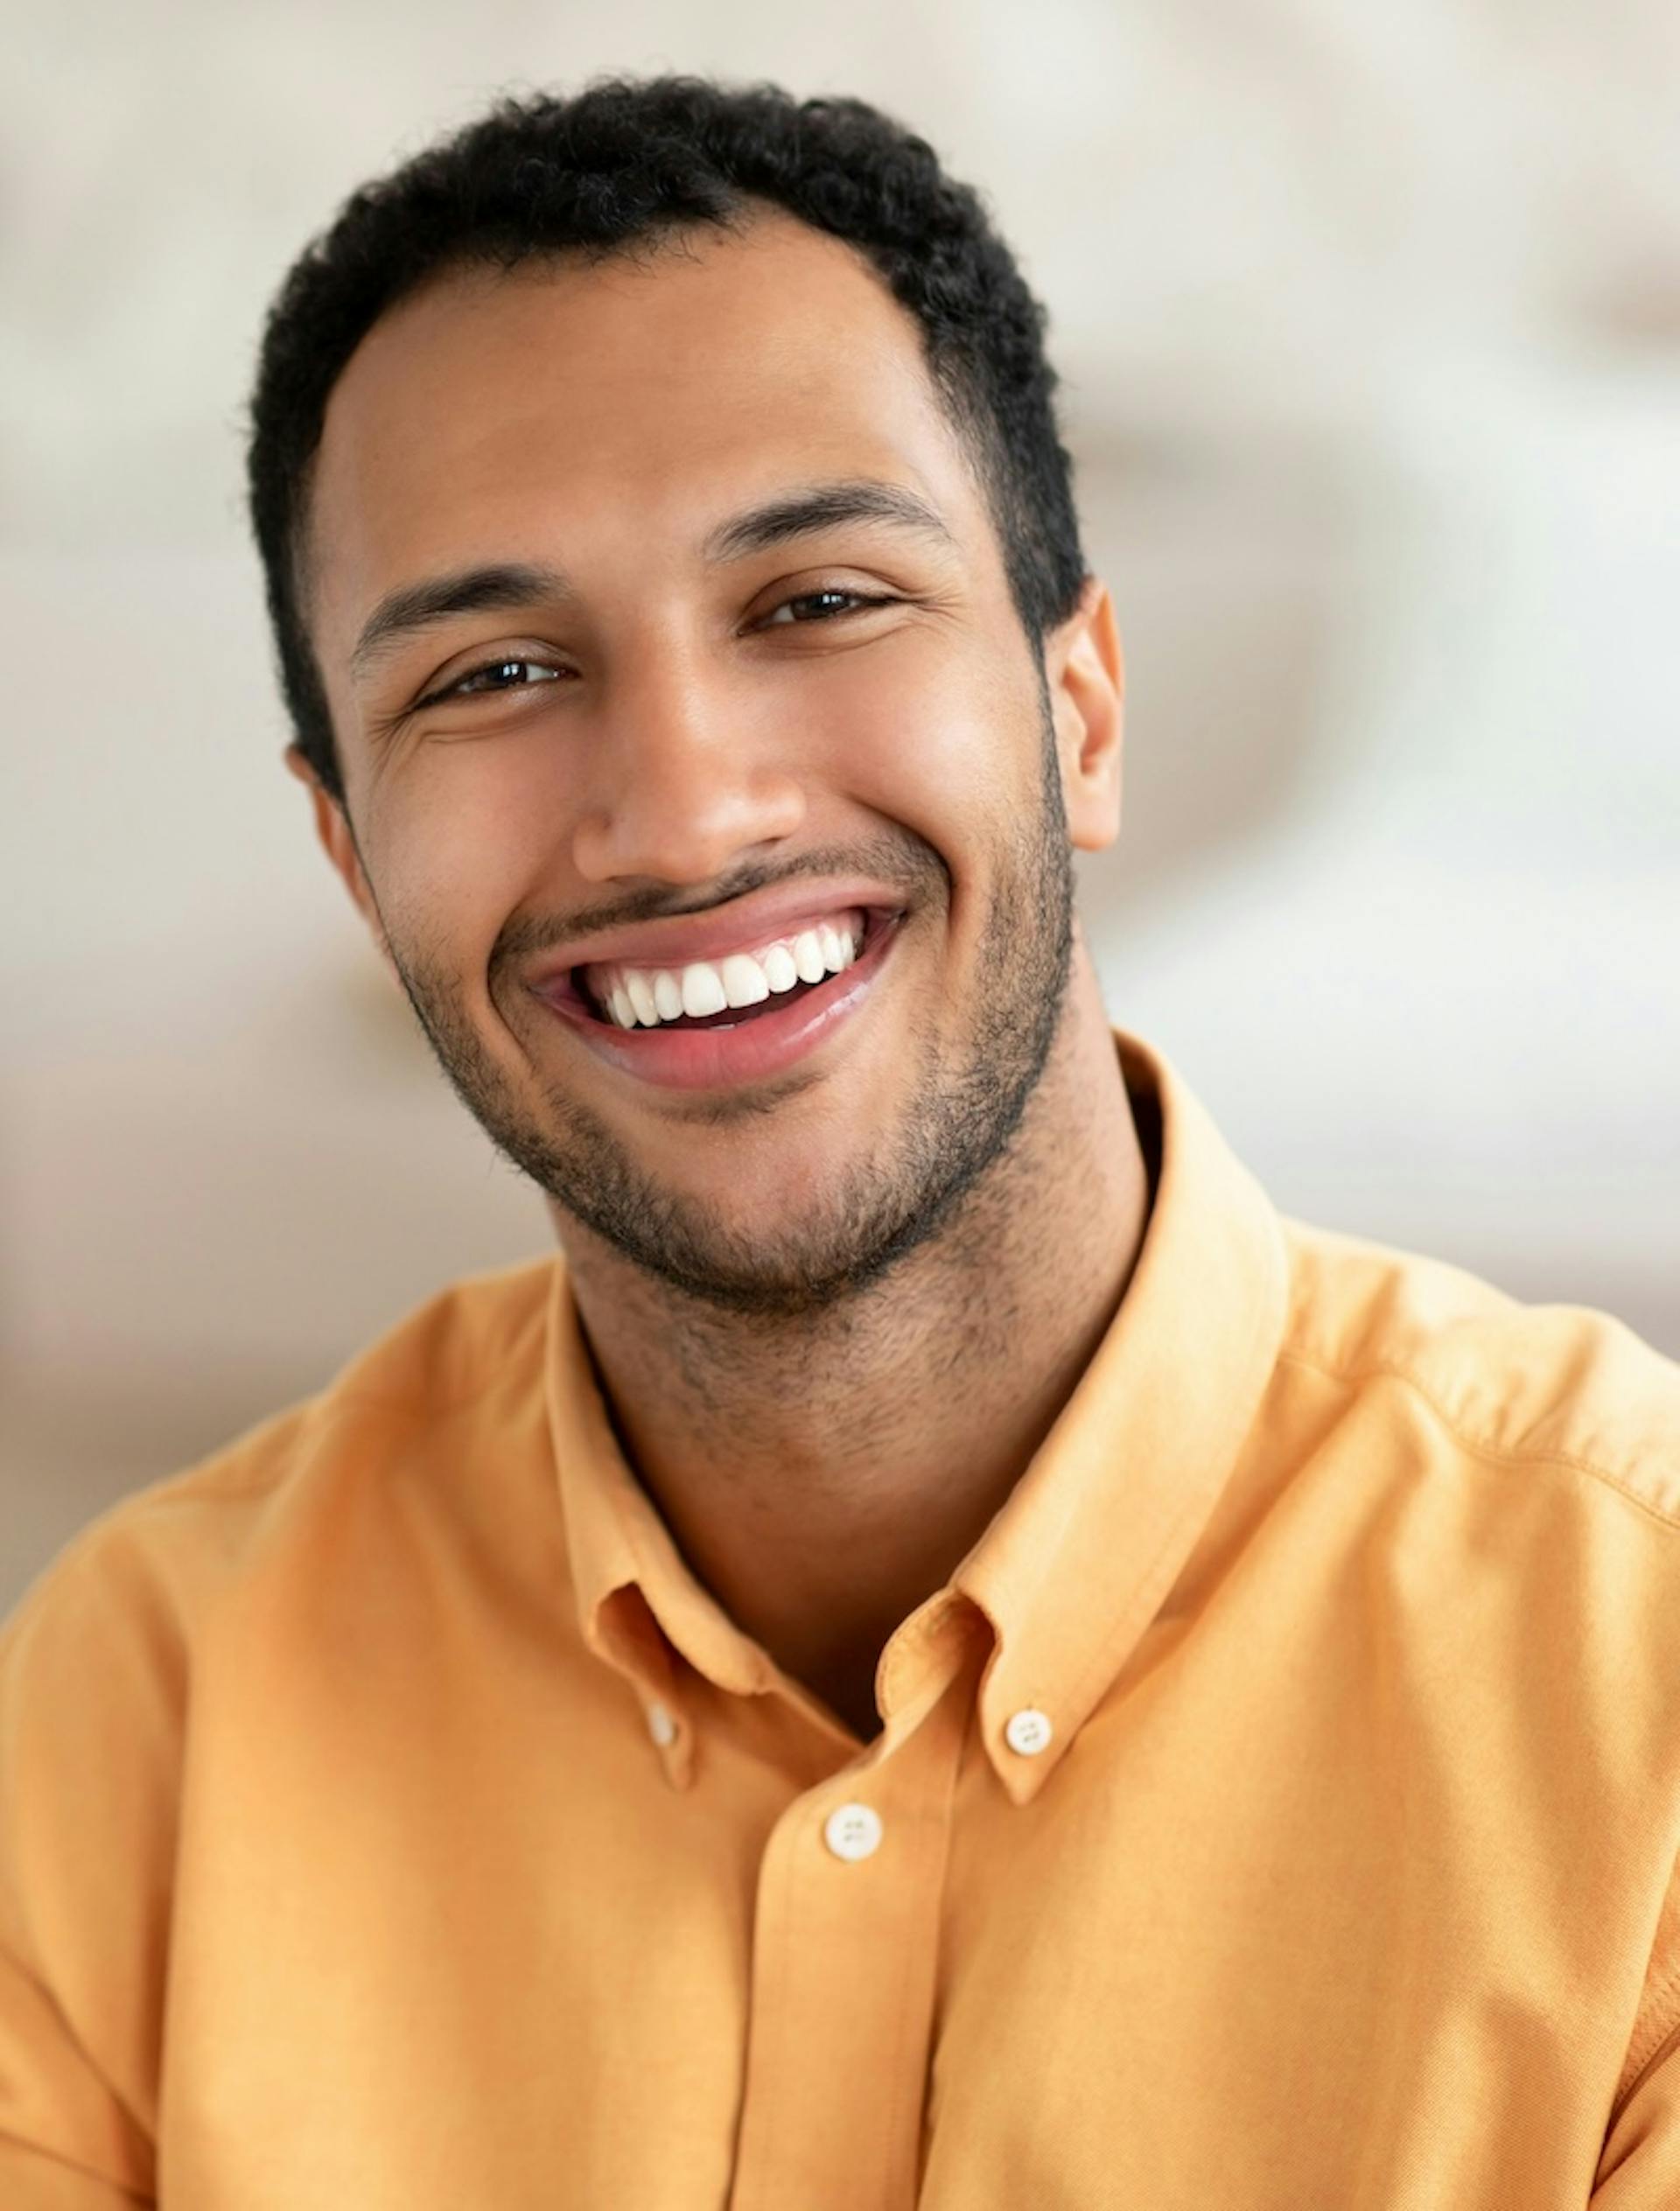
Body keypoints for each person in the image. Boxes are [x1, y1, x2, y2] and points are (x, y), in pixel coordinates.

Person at [3, 74, 1677, 2211]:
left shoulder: (1641, 1678)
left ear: (1079, 713)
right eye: (496, 672)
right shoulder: (131, 1714)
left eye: (815, 601)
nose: (686, 811)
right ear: (348, 852)